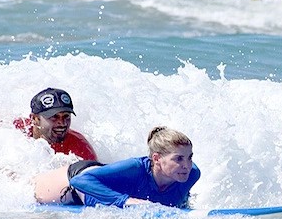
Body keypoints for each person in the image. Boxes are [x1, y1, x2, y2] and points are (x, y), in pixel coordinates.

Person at [33, 126, 200, 208]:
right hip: (78, 180)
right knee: (32, 191)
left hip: (110, 181)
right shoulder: (136, 167)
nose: (187, 165)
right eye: (179, 159)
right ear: (156, 158)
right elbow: (80, 181)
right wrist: (126, 201)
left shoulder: (192, 174)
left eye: (190, 157)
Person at [14, 87, 98, 161]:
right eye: (54, 116)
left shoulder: (80, 149)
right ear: (34, 119)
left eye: (66, 116)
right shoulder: (18, 129)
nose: (62, 123)